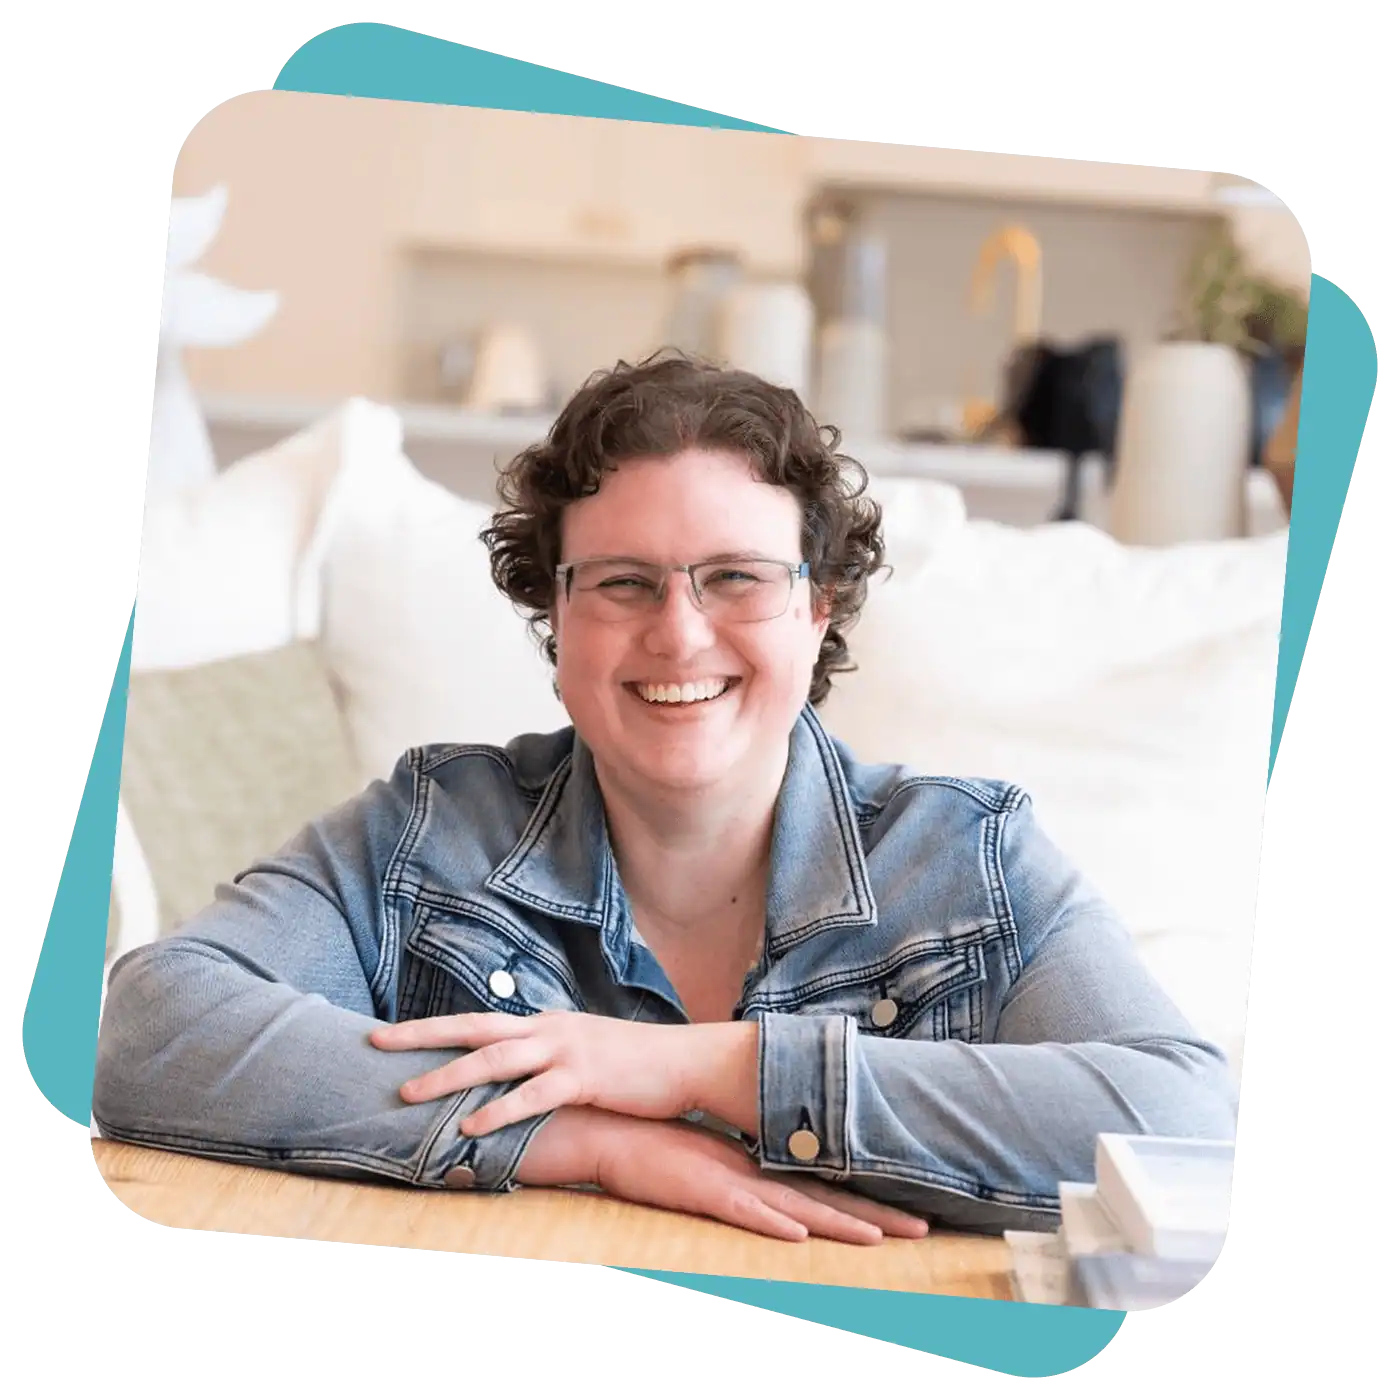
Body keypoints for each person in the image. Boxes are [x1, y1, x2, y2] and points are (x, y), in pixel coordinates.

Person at [93, 353, 1239, 1246]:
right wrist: (577, 1135)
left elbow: (1182, 1121)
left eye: (734, 576)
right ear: (557, 617)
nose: (678, 631)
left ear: (819, 607)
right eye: (624, 582)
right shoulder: (430, 829)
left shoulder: (965, 854)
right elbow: (148, 1028)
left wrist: (709, 1069)